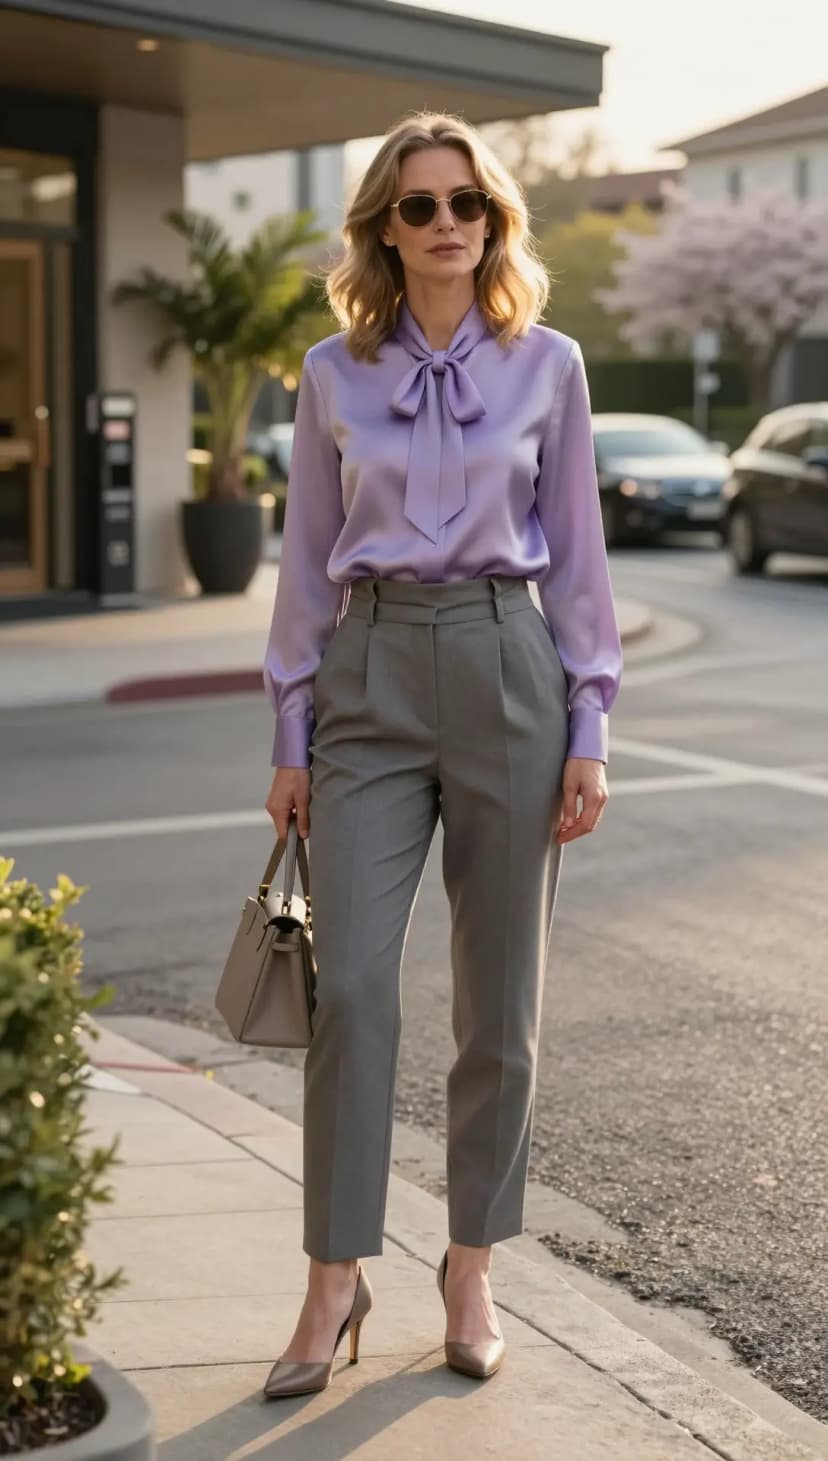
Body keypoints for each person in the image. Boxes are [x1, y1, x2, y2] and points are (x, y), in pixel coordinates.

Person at [262, 111, 622, 1398]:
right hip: (365, 670)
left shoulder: (552, 365)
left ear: (495, 220)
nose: (447, 224)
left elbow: (577, 554)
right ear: (383, 228)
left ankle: (470, 1266)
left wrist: (590, 723)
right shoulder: (329, 372)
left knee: (500, 1003)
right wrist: (290, 729)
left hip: (507, 666)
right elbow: (305, 563)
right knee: (350, 987)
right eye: (419, 206)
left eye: (468, 202)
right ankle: (332, 1278)